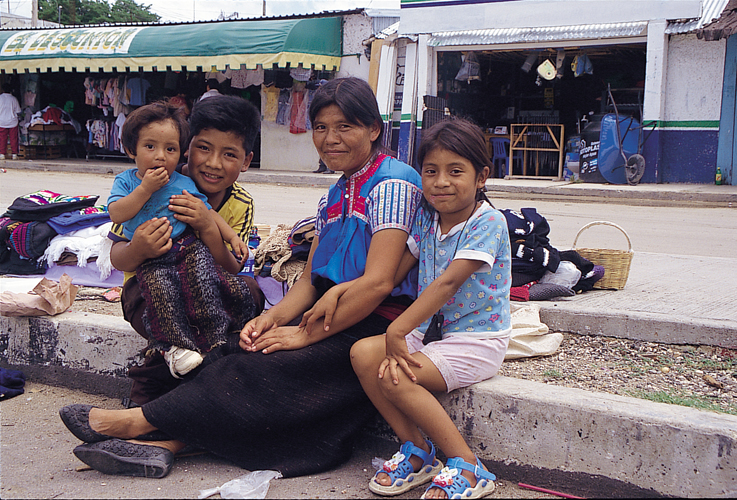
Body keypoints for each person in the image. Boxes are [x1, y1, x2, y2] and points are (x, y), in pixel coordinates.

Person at [59, 77, 424, 480]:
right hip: (331, 311)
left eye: (344, 127)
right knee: (242, 348)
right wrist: (274, 318)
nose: (330, 138)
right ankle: (169, 443)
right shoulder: (336, 193)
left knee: (266, 370)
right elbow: (309, 280)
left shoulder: (393, 181)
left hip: (378, 321)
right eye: (321, 127)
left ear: (373, 129)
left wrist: (302, 335)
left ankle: (138, 423)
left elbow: (378, 284)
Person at [349, 118, 512, 499]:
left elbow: (448, 283)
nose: (441, 182)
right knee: (361, 354)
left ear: (482, 176)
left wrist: (396, 330)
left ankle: (469, 466)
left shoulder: (487, 221)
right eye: (431, 171)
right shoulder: (427, 216)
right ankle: (418, 451)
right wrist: (346, 292)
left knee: (393, 374)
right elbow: (394, 270)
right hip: (433, 335)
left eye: (456, 172)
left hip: (476, 341)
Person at [110, 95, 264, 404]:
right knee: (168, 311)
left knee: (250, 290)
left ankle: (185, 384)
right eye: (203, 148)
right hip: (145, 288)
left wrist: (208, 226)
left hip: (206, 286)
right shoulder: (154, 180)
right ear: (187, 147)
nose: (213, 163)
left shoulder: (241, 203)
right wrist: (140, 247)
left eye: (229, 154)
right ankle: (148, 393)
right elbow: (116, 256)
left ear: (246, 160)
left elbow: (232, 267)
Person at [0, 84, 21, 160]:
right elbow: (18, 111)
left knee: (2, 138)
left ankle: (2, 154)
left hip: (1, 121)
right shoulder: (14, 99)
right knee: (13, 138)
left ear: (2, 90)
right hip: (12, 122)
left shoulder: (0, 98)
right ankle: (14, 154)